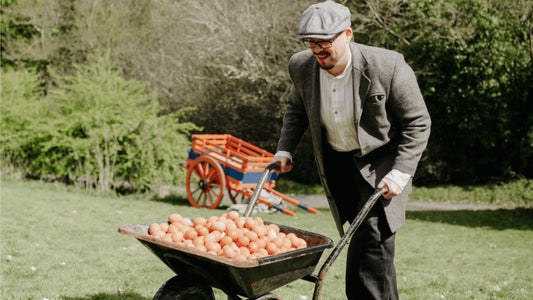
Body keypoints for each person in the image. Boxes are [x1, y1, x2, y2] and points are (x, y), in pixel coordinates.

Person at [272, 1, 431, 299]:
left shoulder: (388, 66)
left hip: (382, 167)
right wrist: (285, 151)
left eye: (324, 42)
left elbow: (418, 123)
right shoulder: (301, 66)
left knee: (372, 241)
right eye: (310, 42)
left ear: (347, 34)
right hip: (338, 165)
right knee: (366, 250)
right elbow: (296, 109)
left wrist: (400, 173)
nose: (317, 50)